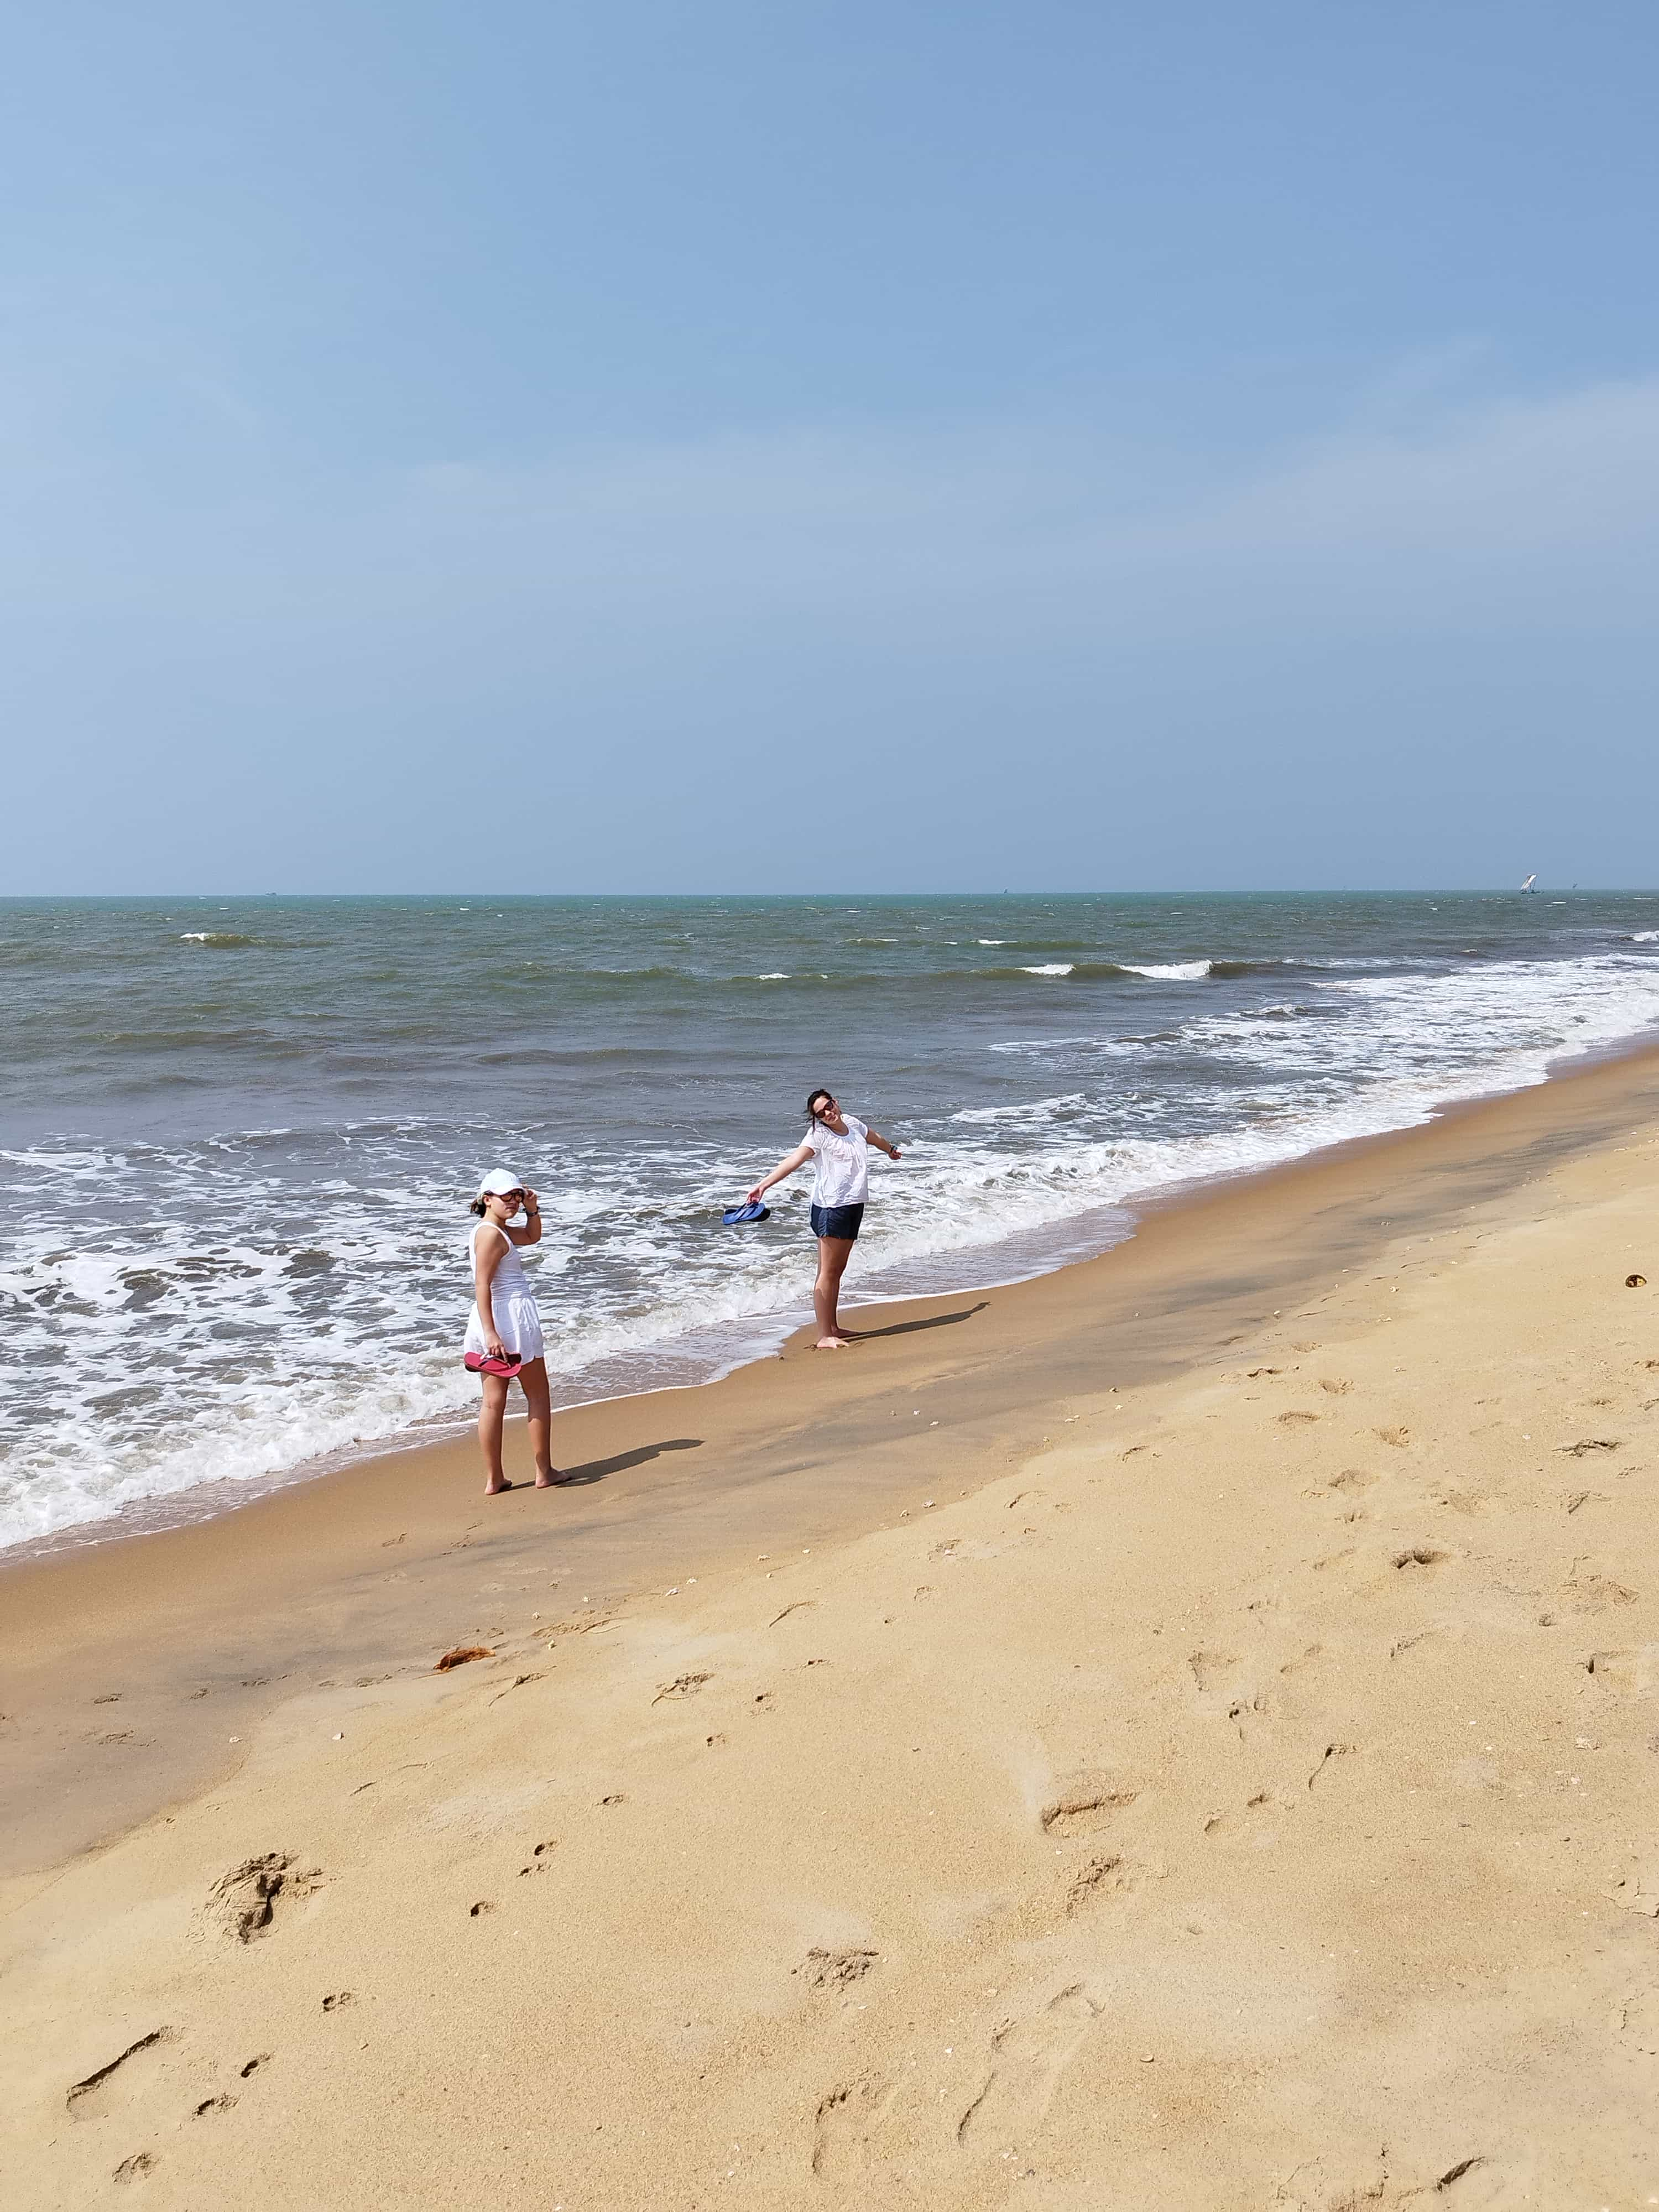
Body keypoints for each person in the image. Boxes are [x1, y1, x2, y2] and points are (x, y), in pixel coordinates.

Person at [747, 1088, 901, 1349]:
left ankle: (833, 1327)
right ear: (816, 1118)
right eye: (821, 1113)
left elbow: (873, 1137)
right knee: (827, 1273)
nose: (829, 1113)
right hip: (831, 1209)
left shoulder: (851, 1122)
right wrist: (763, 1185)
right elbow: (794, 1161)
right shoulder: (818, 1136)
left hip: (853, 1204)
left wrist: (890, 1150)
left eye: (829, 1106)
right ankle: (824, 1336)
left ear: (835, 1101)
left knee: (836, 1271)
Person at [465, 1168, 562, 1494]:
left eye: (517, 1195)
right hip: (509, 1318)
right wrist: (492, 1334)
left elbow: (532, 1237)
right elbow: (482, 1284)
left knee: (493, 1402)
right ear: (486, 1199)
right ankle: (544, 1472)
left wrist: (533, 1209)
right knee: (537, 1395)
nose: (514, 1201)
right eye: (506, 1196)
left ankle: (495, 1479)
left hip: (491, 1318)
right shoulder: (492, 1234)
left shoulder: (495, 1230)